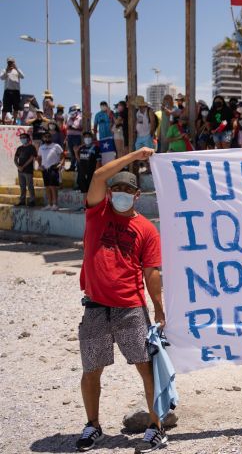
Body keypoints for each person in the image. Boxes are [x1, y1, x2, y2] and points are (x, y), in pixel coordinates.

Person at [74, 149, 168, 453]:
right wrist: (137, 156)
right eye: (117, 190)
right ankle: (93, 425)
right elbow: (99, 175)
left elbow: (151, 272)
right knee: (92, 369)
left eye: (128, 190)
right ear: (110, 193)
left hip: (130, 308)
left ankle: (156, 427)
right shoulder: (96, 213)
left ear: (138, 195)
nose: (122, 195)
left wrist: (159, 308)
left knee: (146, 367)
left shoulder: (147, 230)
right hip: (96, 306)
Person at [37, 131, 64, 210]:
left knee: (53, 186)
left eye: (49, 137)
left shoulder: (56, 146)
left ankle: (55, 204)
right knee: (47, 187)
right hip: (45, 169)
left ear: (51, 138)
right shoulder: (41, 147)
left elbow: (63, 156)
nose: (47, 138)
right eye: (45, 137)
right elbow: (39, 157)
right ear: (43, 138)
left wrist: (61, 164)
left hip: (54, 168)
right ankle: (49, 204)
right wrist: (39, 165)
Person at [14, 131, 37, 207]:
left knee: (30, 185)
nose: (22, 139)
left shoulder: (31, 147)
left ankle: (32, 200)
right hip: (20, 170)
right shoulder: (19, 148)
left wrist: (23, 166)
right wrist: (18, 166)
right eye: (21, 138)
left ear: (28, 138)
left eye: (24, 138)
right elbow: (15, 158)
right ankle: (22, 200)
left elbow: (32, 158)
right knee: (22, 186)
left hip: (28, 170)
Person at [66, 105, 84, 172]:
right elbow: (67, 127)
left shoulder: (80, 118)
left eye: (73, 112)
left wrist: (74, 128)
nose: (72, 114)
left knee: (77, 152)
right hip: (69, 137)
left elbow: (82, 128)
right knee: (71, 153)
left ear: (76, 112)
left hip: (77, 137)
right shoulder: (68, 118)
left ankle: (78, 167)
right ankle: (72, 167)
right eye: (71, 113)